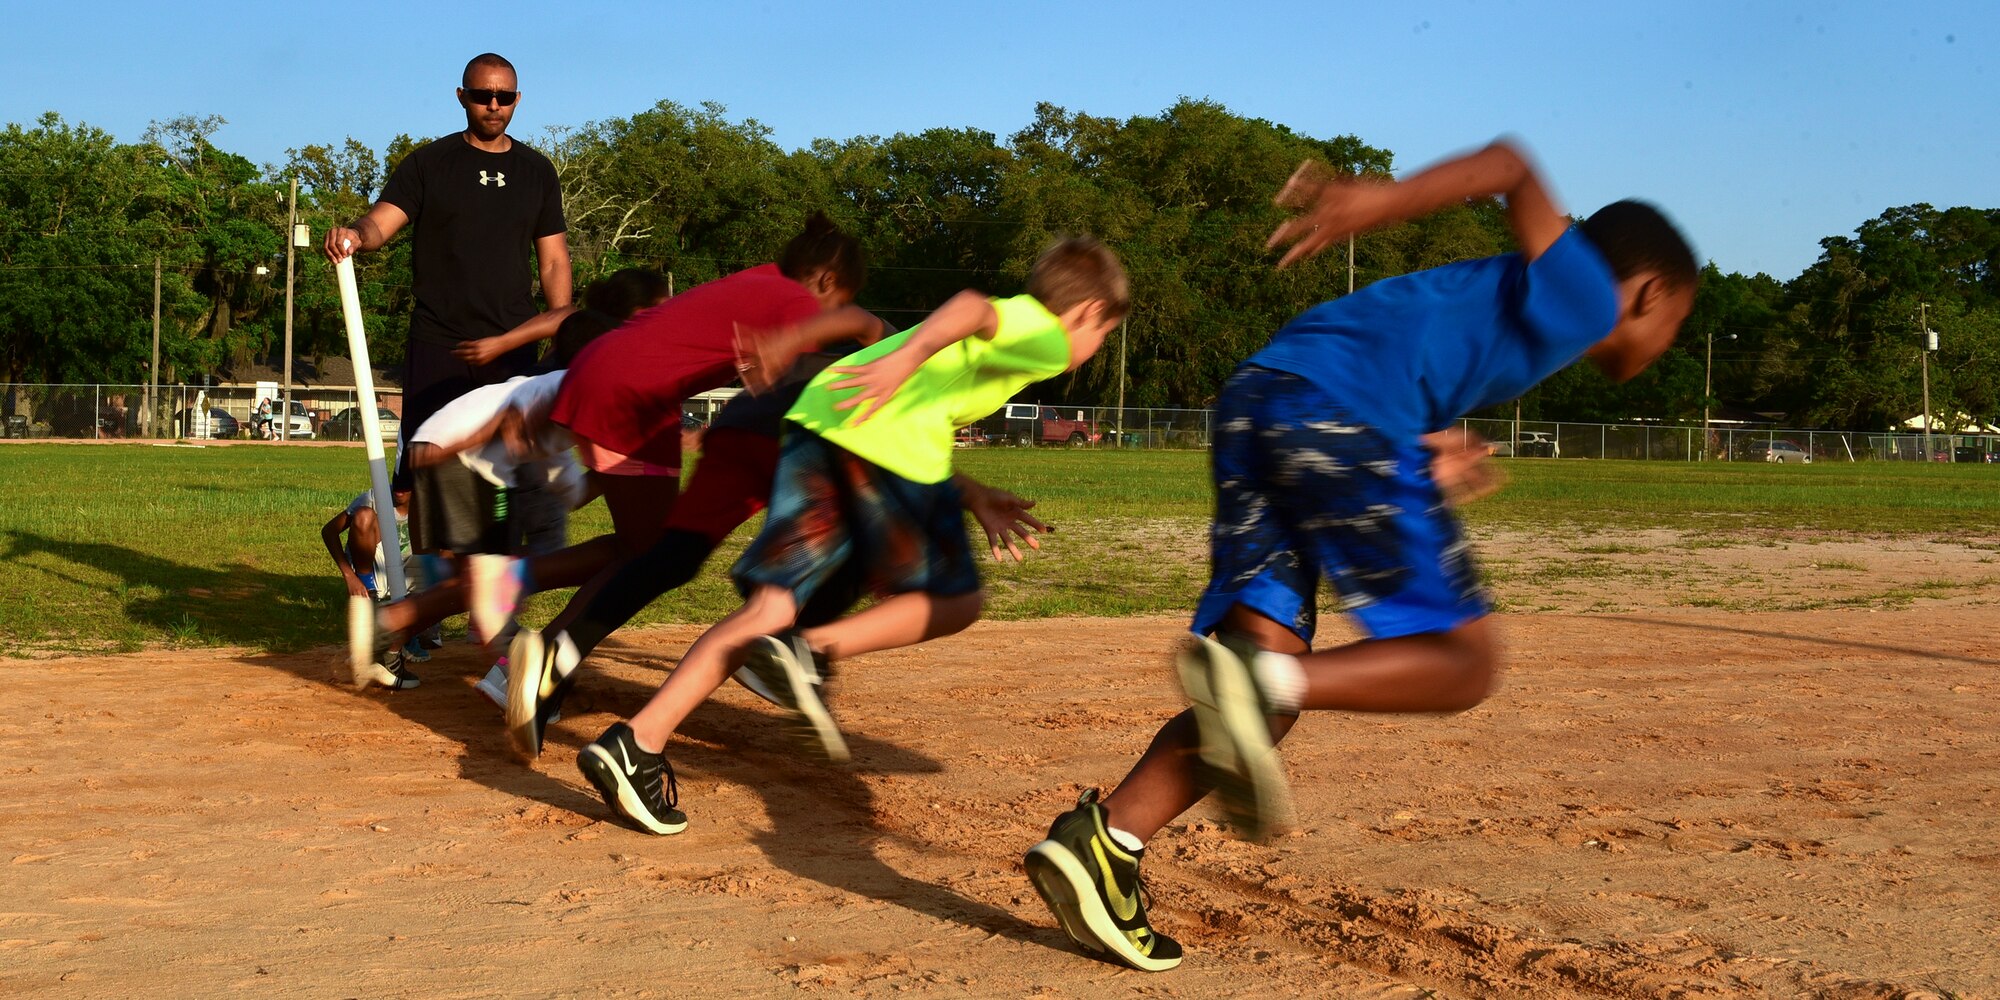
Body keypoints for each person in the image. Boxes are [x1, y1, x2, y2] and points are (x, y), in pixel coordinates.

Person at [1019, 139, 1698, 972]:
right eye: (1677, 321)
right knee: (1462, 662)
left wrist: (1423, 446)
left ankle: (1104, 842)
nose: (1668, 338)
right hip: (1338, 413)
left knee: (1257, 694)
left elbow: (1397, 347)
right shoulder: (1589, 292)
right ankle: (1258, 681)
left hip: (1262, 398)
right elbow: (1515, 167)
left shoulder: (1523, 302)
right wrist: (1381, 201)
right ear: (1652, 291)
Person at [557, 236, 1128, 837]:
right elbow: (970, 306)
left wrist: (973, 493)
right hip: (879, 445)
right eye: (1104, 335)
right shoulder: (1043, 333)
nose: (1094, 350)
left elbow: (911, 404)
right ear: (1088, 311)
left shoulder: (1003, 344)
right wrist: (907, 357)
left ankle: (637, 742)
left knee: (771, 606)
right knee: (955, 601)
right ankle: (811, 650)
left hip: (821, 423)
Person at [322, 51, 571, 494]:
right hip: (439, 341)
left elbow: (553, 260)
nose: (494, 105)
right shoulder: (429, 163)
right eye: (482, 95)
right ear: (461, 97)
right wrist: (356, 234)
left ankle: (491, 562)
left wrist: (558, 328)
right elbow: (380, 222)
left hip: (510, 345)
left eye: (504, 96)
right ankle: (413, 559)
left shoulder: (537, 171)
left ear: (518, 100)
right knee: (424, 472)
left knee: (502, 476)